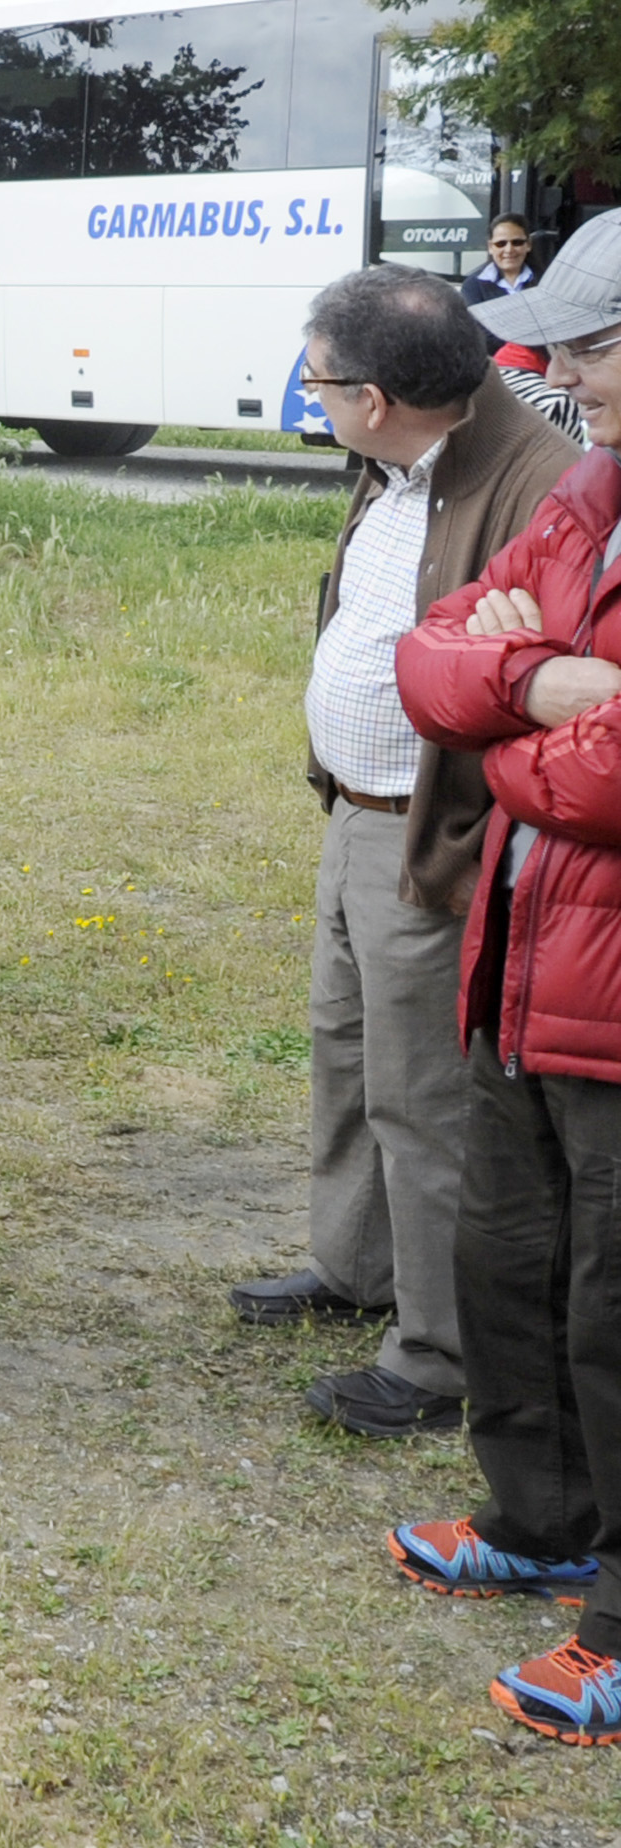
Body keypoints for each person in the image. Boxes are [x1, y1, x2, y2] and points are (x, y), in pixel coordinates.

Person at [225, 267, 575, 1439]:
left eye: (318, 382)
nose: (310, 399)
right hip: (357, 812)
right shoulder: (398, 456)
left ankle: (437, 1354)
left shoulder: (538, 487)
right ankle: (357, 1268)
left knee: (426, 1100)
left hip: (434, 834)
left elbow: (535, 684)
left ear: (376, 396)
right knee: (347, 1057)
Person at [392, 209, 621, 1748]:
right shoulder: (594, 493)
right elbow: (431, 654)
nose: (555, 369)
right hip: (527, 961)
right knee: (513, 1265)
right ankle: (542, 1520)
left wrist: (508, 734)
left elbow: (609, 788)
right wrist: (537, 682)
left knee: (620, 1303)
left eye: (591, 347)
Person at [461, 214, 542, 355]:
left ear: (528, 245)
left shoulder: (545, 282)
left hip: (540, 368)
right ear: (490, 247)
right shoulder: (473, 286)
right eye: (501, 244)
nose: (509, 250)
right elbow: (477, 334)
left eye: (517, 242)